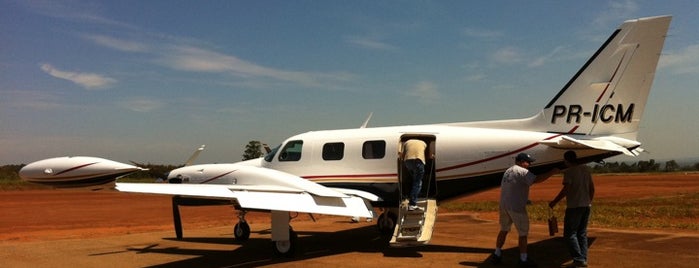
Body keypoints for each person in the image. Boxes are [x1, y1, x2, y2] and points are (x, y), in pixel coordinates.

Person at [490, 152, 559, 268]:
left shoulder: (509, 170)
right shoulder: (522, 171)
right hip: (516, 207)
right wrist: (552, 172)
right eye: (527, 162)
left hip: (504, 205)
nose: (529, 164)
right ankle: (523, 259)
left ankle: (497, 253)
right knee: (523, 233)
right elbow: (536, 179)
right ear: (521, 162)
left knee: (504, 229)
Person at [549, 151, 594, 268]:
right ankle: (583, 258)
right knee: (582, 233)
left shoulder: (569, 172)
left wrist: (554, 202)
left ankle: (578, 259)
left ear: (566, 160)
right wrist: (589, 201)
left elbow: (566, 190)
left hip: (574, 206)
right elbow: (592, 188)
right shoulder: (585, 169)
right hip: (586, 205)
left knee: (570, 234)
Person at [402, 139, 427, 211]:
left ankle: (411, 196)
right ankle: (412, 204)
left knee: (414, 179)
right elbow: (430, 155)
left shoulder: (406, 142)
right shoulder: (424, 143)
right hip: (418, 161)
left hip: (408, 162)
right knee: (418, 183)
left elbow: (402, 154)